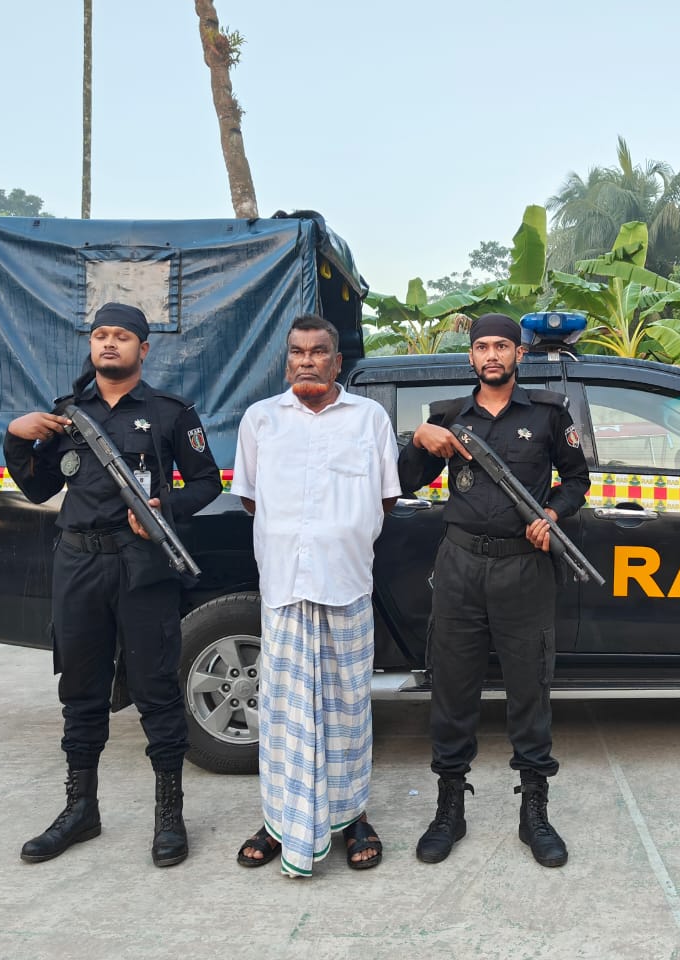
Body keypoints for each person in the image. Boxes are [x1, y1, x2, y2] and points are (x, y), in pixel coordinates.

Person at [4, 301, 222, 867]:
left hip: (142, 565)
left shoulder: (172, 413)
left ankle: (169, 815)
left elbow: (206, 482)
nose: (108, 344)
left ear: (143, 350)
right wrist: (14, 439)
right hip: (78, 565)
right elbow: (37, 488)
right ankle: (81, 810)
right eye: (100, 335)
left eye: (121, 336)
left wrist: (162, 508)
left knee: (155, 687)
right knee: (81, 688)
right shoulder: (68, 415)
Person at [397, 312, 590, 868]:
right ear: (472, 357)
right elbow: (407, 478)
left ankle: (535, 812)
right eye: (482, 347)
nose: (491, 356)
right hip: (459, 567)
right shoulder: (448, 416)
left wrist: (552, 513)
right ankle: (448, 809)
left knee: (530, 689)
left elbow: (577, 479)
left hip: (524, 567)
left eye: (501, 346)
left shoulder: (549, 415)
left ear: (518, 355)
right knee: (452, 689)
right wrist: (420, 438)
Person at [231, 313, 401, 877]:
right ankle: (281, 819)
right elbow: (251, 499)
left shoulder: (368, 418)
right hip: (283, 586)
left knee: (348, 708)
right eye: (298, 352)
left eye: (318, 351)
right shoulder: (261, 421)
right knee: (282, 711)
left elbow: (385, 499)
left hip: (347, 584)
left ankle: (352, 817)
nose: (307, 360)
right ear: (287, 361)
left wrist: (336, 535)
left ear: (337, 361)